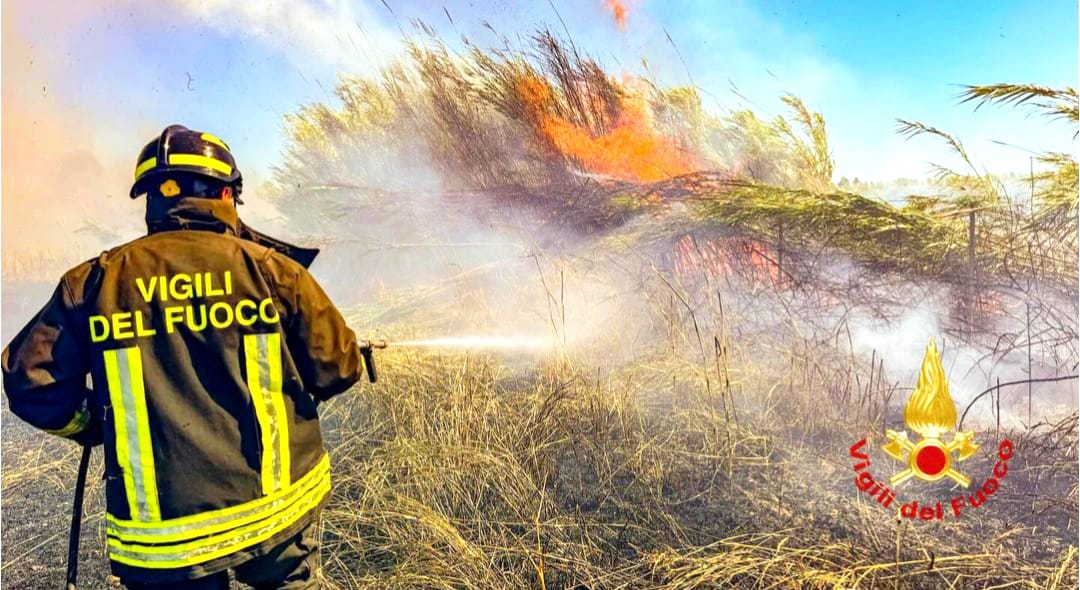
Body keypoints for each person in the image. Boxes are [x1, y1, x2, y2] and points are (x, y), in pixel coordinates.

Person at [2, 125, 365, 589]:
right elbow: (339, 368)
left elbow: (30, 381)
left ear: (153, 199)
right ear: (225, 194)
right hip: (274, 516)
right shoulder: (272, 271)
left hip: (163, 537)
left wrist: (92, 422)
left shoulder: (93, 283)